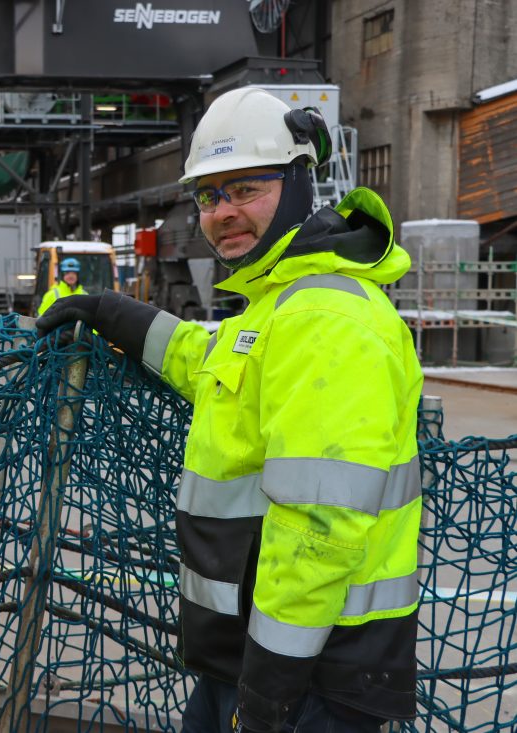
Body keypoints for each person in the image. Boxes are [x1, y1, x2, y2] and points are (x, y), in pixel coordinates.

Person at [37, 88, 423, 732]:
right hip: (256, 661)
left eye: (245, 188)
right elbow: (219, 363)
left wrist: (270, 690)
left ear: (301, 182)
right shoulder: (282, 302)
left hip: (309, 675)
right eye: (209, 196)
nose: (222, 213)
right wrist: (118, 315)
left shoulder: (326, 319)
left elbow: (318, 526)